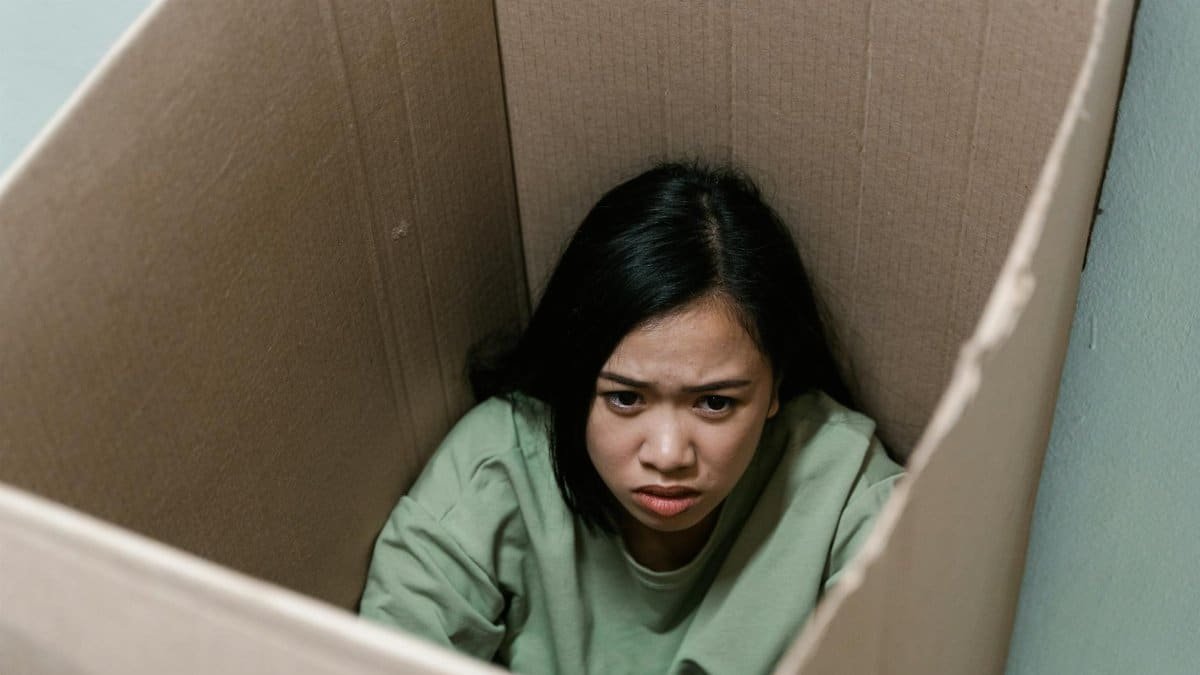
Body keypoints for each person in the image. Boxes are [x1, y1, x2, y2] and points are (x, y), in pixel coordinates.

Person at [359, 161, 903, 674]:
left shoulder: (843, 486)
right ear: (575, 379)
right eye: (624, 399)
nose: (667, 455)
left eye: (715, 403)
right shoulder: (494, 472)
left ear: (776, 386)